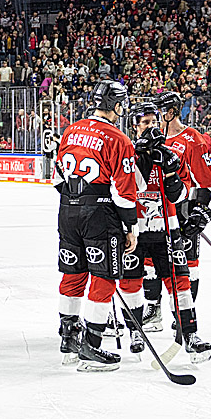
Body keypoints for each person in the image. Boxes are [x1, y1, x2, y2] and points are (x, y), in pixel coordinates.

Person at [50, 81, 138, 372]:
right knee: (104, 277)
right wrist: (130, 227)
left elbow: (57, 178)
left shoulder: (71, 130)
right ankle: (92, 345)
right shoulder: (119, 139)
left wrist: (76, 202)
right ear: (115, 105)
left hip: (67, 211)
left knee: (72, 274)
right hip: (99, 214)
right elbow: (124, 193)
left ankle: (68, 340)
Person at [122, 103, 211, 361]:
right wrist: (142, 158)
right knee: (131, 282)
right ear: (135, 127)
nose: (151, 126)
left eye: (154, 122)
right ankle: (136, 331)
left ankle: (190, 334)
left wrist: (171, 171)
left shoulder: (170, 154)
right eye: (145, 122)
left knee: (180, 282)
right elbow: (127, 189)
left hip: (168, 231)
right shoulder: (128, 153)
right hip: (137, 231)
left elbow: (180, 195)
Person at [142, 90, 211, 326]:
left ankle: (186, 314)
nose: (155, 116)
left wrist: (199, 211)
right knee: (150, 262)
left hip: (182, 210)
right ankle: (153, 310)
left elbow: (205, 181)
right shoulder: (152, 138)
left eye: (160, 111)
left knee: (187, 264)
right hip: (154, 211)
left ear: (171, 112)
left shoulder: (192, 139)